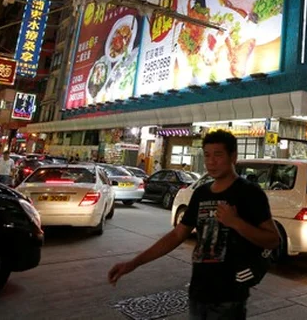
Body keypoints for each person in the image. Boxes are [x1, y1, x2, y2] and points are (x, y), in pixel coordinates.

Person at [107, 130, 280, 319]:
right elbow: (177, 235)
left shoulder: (249, 193)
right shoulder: (201, 193)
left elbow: (272, 239)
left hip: (229, 296)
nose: (211, 161)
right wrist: (133, 263)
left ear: (233, 157)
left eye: (218, 155)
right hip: (198, 292)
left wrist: (235, 222)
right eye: (207, 155)